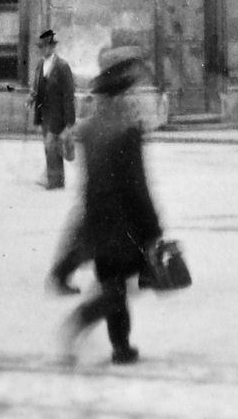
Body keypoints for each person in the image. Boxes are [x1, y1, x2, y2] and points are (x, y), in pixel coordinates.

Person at [59, 47, 163, 366]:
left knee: (113, 284)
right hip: (125, 224)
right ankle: (91, 330)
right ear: (120, 96)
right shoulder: (127, 130)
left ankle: (120, 346)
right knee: (116, 290)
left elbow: (91, 182)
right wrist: (153, 228)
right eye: (128, 94)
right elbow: (138, 184)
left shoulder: (90, 129)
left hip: (97, 219)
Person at [30, 29, 76, 190]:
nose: (43, 50)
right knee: (50, 146)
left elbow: (69, 95)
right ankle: (56, 179)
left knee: (51, 144)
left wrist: (70, 122)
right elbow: (38, 88)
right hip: (43, 113)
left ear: (52, 47)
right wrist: (32, 97)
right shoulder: (40, 65)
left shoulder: (62, 66)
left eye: (46, 47)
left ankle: (54, 181)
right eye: (41, 47)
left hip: (58, 114)